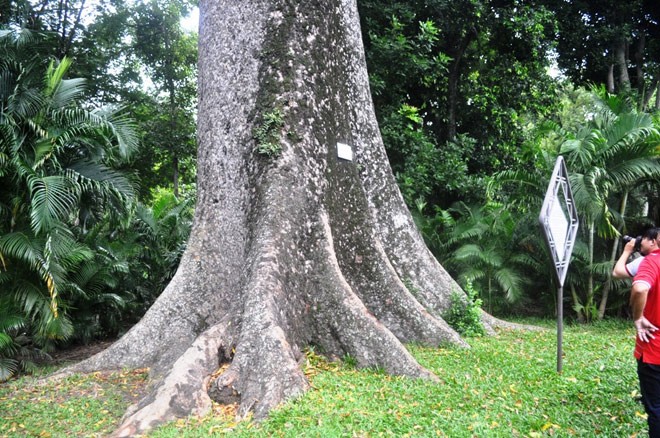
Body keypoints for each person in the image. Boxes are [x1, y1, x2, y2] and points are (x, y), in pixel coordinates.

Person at [630, 227, 660, 437]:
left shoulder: (652, 261)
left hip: (654, 347)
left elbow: (640, 288)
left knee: (656, 407)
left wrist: (638, 317)